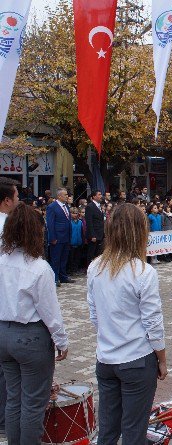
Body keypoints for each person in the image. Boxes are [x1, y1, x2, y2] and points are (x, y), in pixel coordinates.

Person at [87, 204, 167, 444]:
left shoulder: (95, 267)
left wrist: (109, 336)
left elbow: (94, 315)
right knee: (134, 431)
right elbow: (153, 322)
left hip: (106, 359)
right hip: (136, 360)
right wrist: (162, 359)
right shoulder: (143, 271)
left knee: (108, 430)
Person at [0, 203, 69, 443]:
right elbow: (50, 312)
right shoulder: (39, 268)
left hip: (3, 335)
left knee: (13, 399)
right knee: (32, 404)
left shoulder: (1, 261)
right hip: (30, 337)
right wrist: (61, 341)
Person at [0, 177, 21, 436]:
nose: (18, 201)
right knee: (8, 374)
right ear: (6, 200)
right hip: (8, 307)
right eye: (16, 197)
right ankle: (6, 421)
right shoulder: (8, 228)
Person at [46, 188, 74, 287]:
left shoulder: (66, 206)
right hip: (57, 237)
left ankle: (63, 276)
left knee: (64, 258)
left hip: (66, 236)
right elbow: (50, 223)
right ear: (59, 196)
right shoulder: (52, 207)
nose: (67, 196)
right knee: (56, 259)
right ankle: (55, 278)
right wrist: (52, 237)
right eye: (65, 194)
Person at [85, 190, 105, 265]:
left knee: (98, 253)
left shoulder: (99, 206)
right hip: (94, 235)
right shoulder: (90, 207)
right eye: (99, 195)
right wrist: (92, 235)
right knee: (91, 253)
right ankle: (89, 267)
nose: (101, 196)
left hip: (100, 233)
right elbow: (89, 222)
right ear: (94, 196)